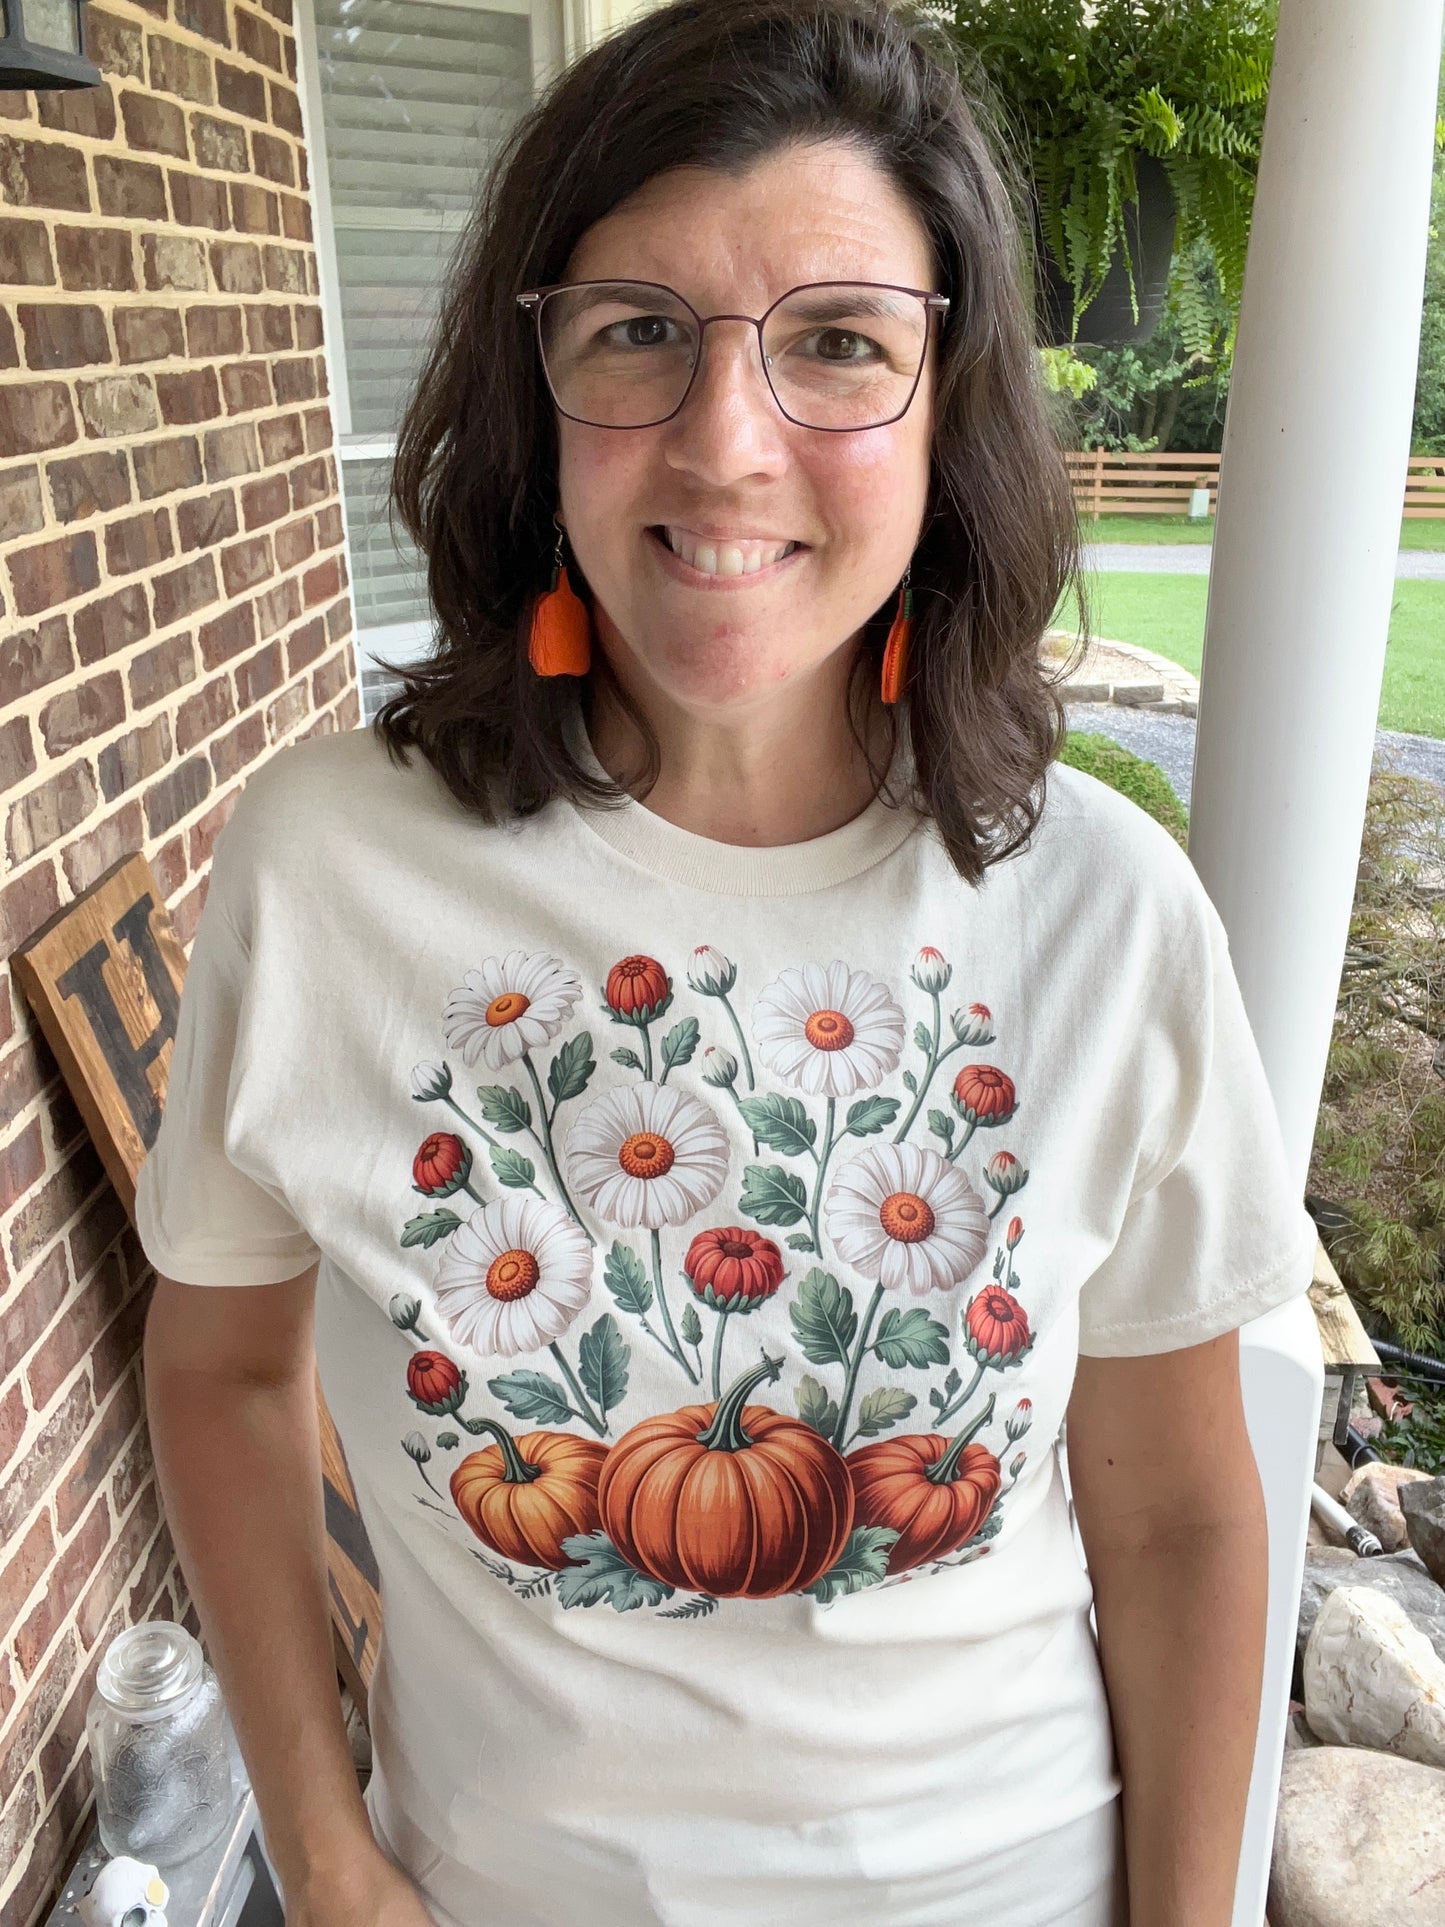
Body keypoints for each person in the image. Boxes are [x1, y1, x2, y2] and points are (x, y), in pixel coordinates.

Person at [135, 2, 1317, 1922]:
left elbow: (1178, 1511)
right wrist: (324, 1857)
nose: (724, 442)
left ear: (952, 405)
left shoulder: (1102, 903)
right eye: (639, 332)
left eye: (838, 342)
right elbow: (217, 1375)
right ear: (539, 392)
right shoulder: (327, 871)